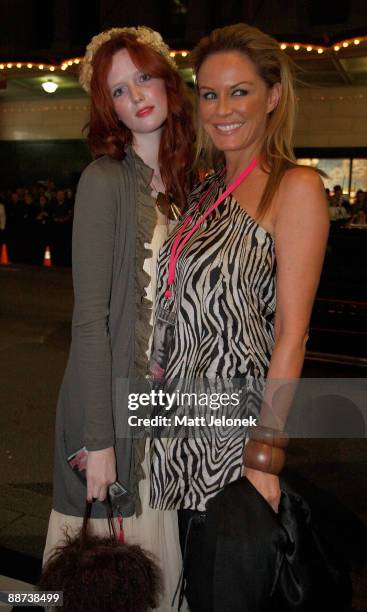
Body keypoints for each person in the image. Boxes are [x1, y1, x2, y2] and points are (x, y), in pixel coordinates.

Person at [149, 23, 329, 609]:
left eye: (240, 92)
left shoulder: (294, 187)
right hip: (175, 433)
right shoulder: (203, 190)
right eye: (208, 93)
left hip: (234, 440)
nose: (221, 109)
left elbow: (292, 334)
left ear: (273, 96)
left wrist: (265, 458)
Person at [43, 26, 194, 610]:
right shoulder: (103, 180)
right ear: (109, 108)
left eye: (144, 77)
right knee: (92, 578)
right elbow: (89, 321)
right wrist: (99, 441)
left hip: (161, 411)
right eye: (120, 91)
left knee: (154, 565)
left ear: (165, 80)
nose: (137, 96)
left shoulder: (186, 185)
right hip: (106, 413)